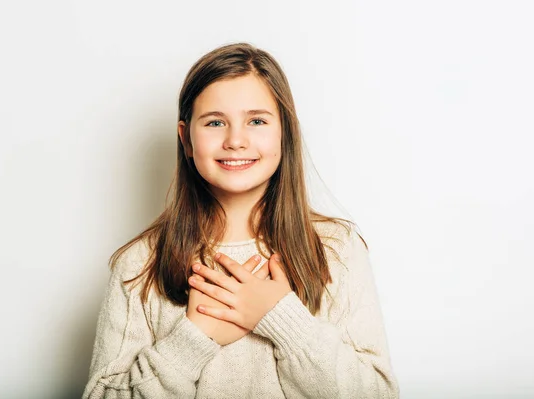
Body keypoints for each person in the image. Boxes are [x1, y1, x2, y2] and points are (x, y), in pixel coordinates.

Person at [82, 42, 400, 399]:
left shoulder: (337, 249)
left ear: (285, 132)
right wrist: (193, 339)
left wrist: (282, 319)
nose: (235, 140)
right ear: (186, 139)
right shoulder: (138, 264)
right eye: (215, 122)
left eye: (257, 121)